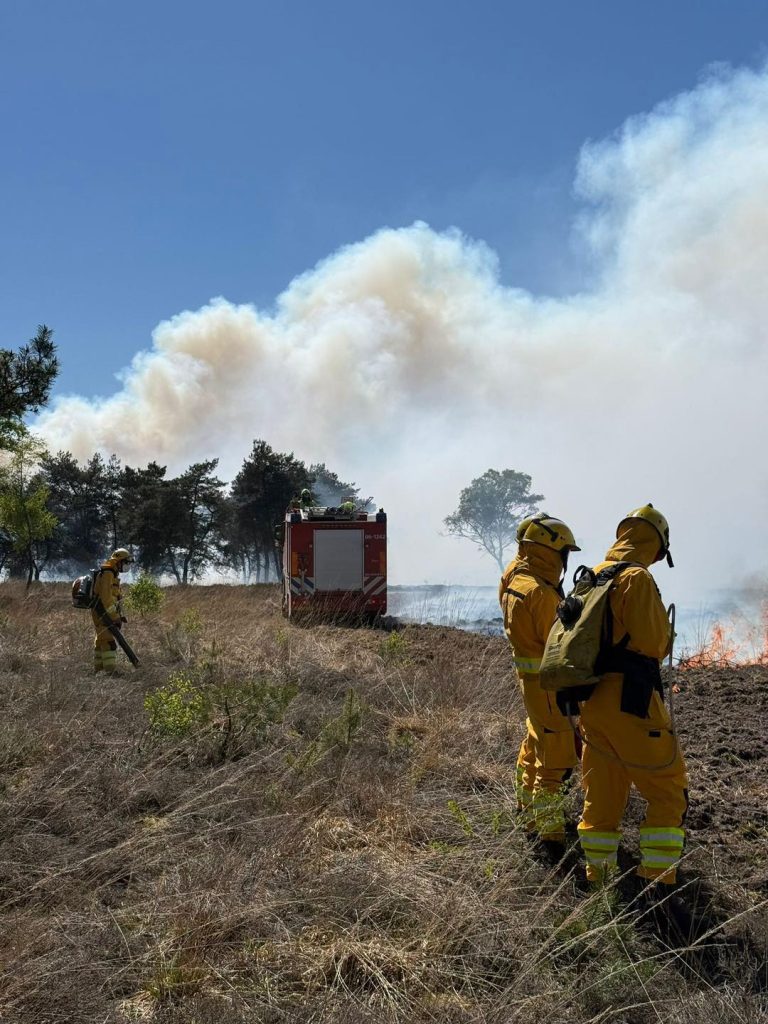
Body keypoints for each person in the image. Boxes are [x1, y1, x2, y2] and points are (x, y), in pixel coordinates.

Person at [577, 504, 688, 887]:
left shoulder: (592, 575)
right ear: (657, 547)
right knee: (668, 789)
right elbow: (654, 643)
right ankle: (657, 883)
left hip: (592, 701)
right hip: (632, 700)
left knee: (603, 792)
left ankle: (599, 878)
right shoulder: (636, 580)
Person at [500, 515, 582, 850]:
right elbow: (562, 646)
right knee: (557, 762)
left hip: (530, 682)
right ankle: (550, 837)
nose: (566, 559)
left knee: (536, 744)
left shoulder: (513, 577)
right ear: (550, 552)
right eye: (564, 552)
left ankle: (528, 813)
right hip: (549, 686)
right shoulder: (541, 594)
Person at [92, 548, 133, 673]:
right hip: (102, 612)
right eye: (125, 562)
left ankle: (98, 670)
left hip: (104, 612)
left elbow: (115, 597)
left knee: (101, 641)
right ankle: (110, 672)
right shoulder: (108, 573)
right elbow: (106, 598)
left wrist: (120, 615)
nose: (126, 566)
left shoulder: (112, 573)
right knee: (109, 642)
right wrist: (114, 616)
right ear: (117, 561)